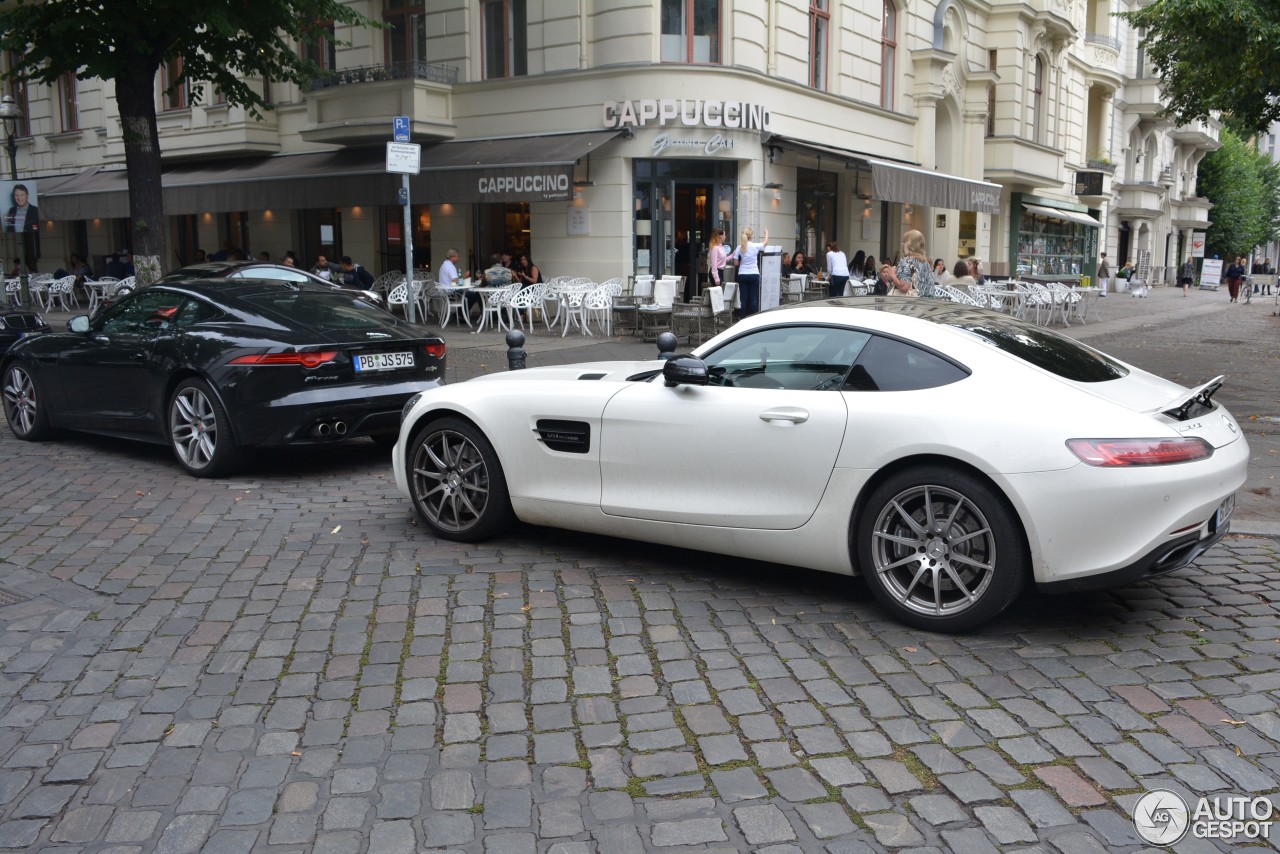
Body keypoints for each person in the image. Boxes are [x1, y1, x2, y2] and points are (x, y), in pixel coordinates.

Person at [727, 226, 768, 317]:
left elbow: (736, 263)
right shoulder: (755, 246)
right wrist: (766, 233)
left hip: (742, 274)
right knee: (753, 299)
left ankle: (741, 318)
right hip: (754, 274)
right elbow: (765, 243)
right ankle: (753, 319)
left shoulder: (739, 247)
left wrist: (743, 261)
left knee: (743, 299)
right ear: (751, 236)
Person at [4, 183, 40, 271]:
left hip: (30, 240)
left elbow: (35, 227)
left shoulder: (34, 210)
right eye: (16, 195)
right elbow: (9, 227)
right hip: (18, 239)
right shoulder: (12, 210)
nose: (19, 198)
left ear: (27, 196)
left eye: (21, 195)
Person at [897, 230, 939, 297]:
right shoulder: (926, 263)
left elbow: (904, 287)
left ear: (909, 244)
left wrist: (892, 274)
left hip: (910, 305)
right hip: (926, 304)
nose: (902, 244)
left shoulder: (906, 262)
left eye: (904, 241)